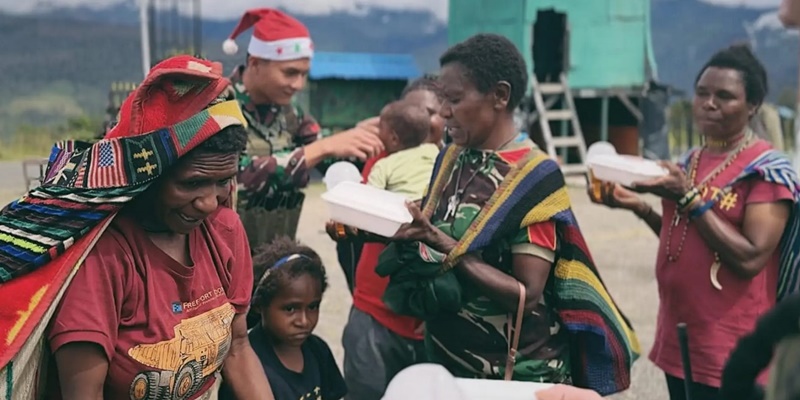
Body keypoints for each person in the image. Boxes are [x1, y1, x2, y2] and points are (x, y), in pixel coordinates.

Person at [377, 33, 638, 396]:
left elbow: (526, 294)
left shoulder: (533, 178)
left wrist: (443, 244)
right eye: (442, 100)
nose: (444, 112)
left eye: (454, 99)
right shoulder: (452, 157)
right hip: (448, 363)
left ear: (500, 96)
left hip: (514, 375)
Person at [0, 56, 273, 399]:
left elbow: (238, 348)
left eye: (223, 181)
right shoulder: (107, 259)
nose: (208, 202)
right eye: (191, 184)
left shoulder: (226, 230)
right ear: (148, 178)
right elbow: (83, 393)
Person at [589, 44, 800, 400]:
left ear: (752, 106)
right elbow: (684, 238)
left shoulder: (766, 172)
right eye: (702, 93)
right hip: (682, 336)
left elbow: (750, 258)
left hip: (732, 346)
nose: (709, 103)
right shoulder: (690, 160)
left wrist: (688, 196)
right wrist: (639, 208)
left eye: (724, 96)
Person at [221, 8, 383, 244]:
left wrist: (362, 136)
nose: (298, 84)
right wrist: (321, 149)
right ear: (255, 63)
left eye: (304, 74)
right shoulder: (219, 104)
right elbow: (232, 174)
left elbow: (324, 148)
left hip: (274, 252)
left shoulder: (290, 112)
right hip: (224, 257)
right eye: (290, 73)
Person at [329, 76, 446, 295]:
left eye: (429, 113)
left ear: (447, 114)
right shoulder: (381, 157)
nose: (417, 121)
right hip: (376, 295)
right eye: (410, 113)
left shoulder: (453, 160)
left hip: (431, 298)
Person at [220, 237, 347, 400]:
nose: (304, 321)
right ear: (260, 304)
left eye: (313, 307)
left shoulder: (318, 351)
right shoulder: (246, 364)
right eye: (290, 309)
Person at [367, 100, 439, 200]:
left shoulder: (384, 165)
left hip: (401, 212)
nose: (377, 132)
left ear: (394, 139)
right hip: (432, 206)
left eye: (380, 127)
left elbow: (368, 198)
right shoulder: (433, 151)